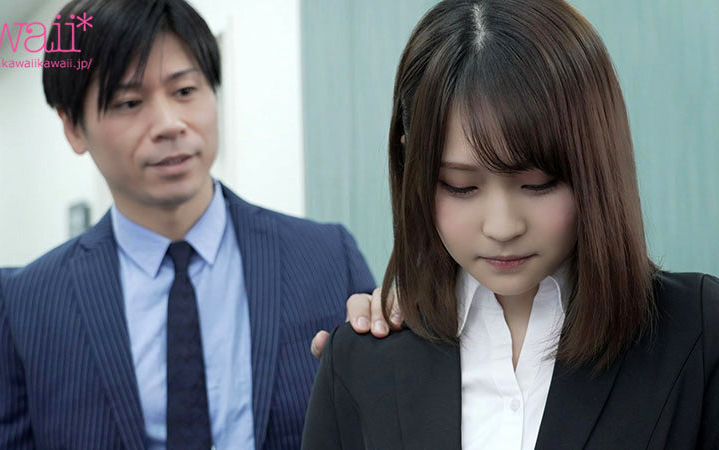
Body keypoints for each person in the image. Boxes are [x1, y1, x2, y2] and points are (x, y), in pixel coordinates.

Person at [302, 0, 719, 449]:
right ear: (412, 166)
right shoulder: (363, 362)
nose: (502, 228)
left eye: (538, 184)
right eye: (460, 186)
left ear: (596, 161)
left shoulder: (698, 333)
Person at [0, 0, 375, 448]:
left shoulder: (326, 257)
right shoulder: (25, 306)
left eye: (184, 91)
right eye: (129, 102)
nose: (168, 124)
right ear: (73, 127)